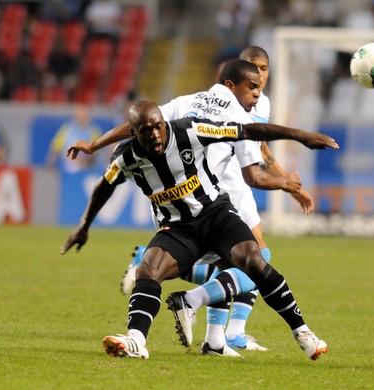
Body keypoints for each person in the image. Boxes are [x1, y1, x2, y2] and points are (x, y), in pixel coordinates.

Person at [65, 58, 314, 356]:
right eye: (146, 131)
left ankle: (301, 332)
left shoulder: (190, 129)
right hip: (179, 227)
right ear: (135, 134)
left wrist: (301, 136)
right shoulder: (126, 158)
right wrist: (83, 226)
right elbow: (104, 187)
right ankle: (137, 340)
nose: (156, 135)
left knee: (253, 259)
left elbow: (247, 132)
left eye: (158, 127)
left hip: (216, 213)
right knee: (150, 271)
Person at [46, 104, 103, 173]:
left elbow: (95, 154)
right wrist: (50, 163)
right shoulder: (67, 129)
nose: (81, 116)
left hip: (85, 164)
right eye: (79, 113)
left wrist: (83, 160)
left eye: (84, 113)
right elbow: (55, 148)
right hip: (67, 161)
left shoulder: (94, 131)